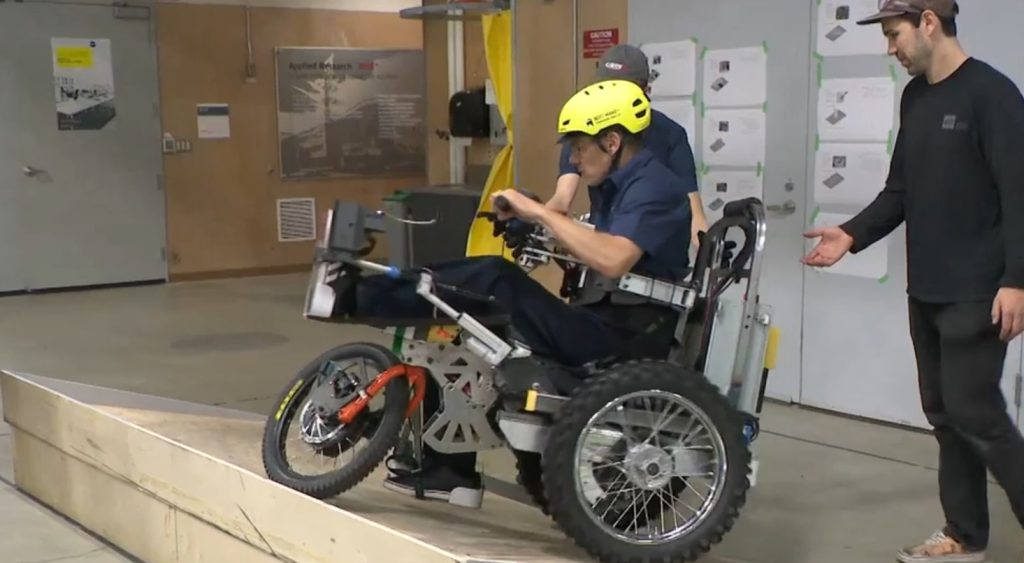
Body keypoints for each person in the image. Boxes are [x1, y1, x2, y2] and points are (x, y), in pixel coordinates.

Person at [339, 79, 693, 508]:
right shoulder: (622, 184)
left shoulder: (656, 187)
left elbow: (614, 258)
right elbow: (596, 242)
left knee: (493, 278)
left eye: (580, 147)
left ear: (613, 141)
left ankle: (356, 294)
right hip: (604, 321)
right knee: (470, 320)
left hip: (618, 339)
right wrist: (535, 226)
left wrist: (541, 212)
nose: (575, 159)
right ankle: (446, 469)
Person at [802, 2, 1024, 561]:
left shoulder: (993, 96)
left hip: (980, 289)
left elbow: (1021, 195)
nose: (890, 48)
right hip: (925, 286)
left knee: (978, 413)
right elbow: (900, 190)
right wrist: (851, 234)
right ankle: (964, 535)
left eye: (894, 34)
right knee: (945, 415)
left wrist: (1018, 280)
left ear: (929, 21)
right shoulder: (917, 96)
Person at [546, 44, 709, 250]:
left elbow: (695, 212)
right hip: (603, 241)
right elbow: (562, 199)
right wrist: (532, 217)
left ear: (645, 91)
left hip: (651, 255)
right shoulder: (587, 130)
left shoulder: (670, 134)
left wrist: (708, 253)